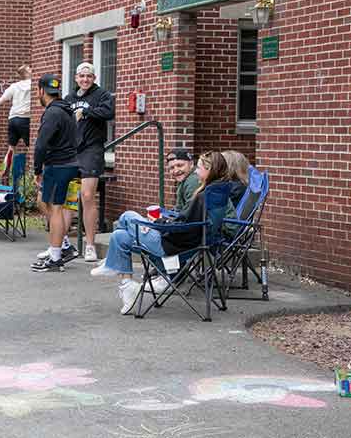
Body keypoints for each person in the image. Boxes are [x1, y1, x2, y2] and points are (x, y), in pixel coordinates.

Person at [90, 152, 232, 314]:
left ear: (209, 170)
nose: (197, 172)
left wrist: (158, 223)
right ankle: (128, 287)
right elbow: (188, 222)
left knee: (128, 216)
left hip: (172, 246)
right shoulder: (217, 191)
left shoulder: (202, 196)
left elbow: (185, 226)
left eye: (199, 167)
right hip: (188, 243)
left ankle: (112, 263)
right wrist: (166, 220)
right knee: (119, 236)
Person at [30, 74, 82, 273]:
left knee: (56, 209)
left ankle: (55, 258)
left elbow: (41, 144)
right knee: (43, 202)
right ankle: (64, 245)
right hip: (69, 164)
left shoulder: (52, 113)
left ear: (41, 91)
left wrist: (37, 170)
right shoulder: (66, 110)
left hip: (58, 165)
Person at [63, 62, 114, 262]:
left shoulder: (101, 95)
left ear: (94, 78)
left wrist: (86, 112)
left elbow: (109, 113)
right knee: (68, 197)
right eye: (82, 76)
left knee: (87, 196)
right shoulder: (69, 98)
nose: (85, 79)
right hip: (71, 151)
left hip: (92, 150)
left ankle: (90, 245)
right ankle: (63, 243)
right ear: (76, 78)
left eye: (89, 76)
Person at [0, 65, 32, 159]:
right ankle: (33, 171)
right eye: (29, 69)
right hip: (24, 119)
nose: (32, 69)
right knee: (31, 146)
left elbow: (3, 98)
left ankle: (5, 170)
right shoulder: (33, 84)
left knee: (11, 148)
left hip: (12, 119)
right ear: (26, 73)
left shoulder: (14, 86)